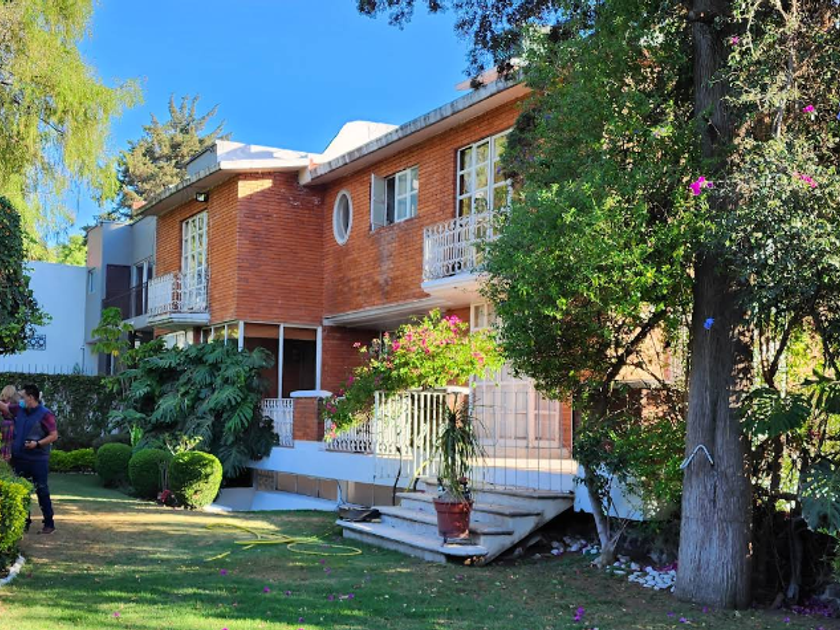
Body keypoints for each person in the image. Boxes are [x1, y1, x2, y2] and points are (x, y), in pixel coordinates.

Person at [0, 384, 58, 534]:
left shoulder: (45, 414)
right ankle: (24, 523)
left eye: (22, 397)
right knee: (22, 491)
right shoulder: (19, 410)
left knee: (42, 490)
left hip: (38, 459)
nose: (19, 399)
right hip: (20, 458)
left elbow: (53, 435)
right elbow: (4, 407)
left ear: (31, 397)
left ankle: (49, 523)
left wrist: (37, 444)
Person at [0, 384, 18, 463]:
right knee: (9, 443)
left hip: (4, 424)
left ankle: (4, 457)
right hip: (11, 425)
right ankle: (7, 457)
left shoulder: (2, 402)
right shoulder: (15, 404)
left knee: (5, 442)